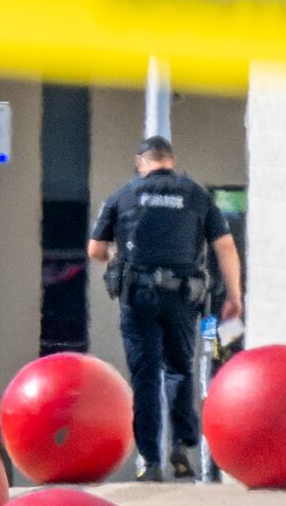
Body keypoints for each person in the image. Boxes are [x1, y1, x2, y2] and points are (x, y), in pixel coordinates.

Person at [84, 137, 239, 480]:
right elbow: (225, 246)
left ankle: (150, 460)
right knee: (180, 369)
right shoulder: (196, 195)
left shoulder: (123, 195)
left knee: (145, 377)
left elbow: (95, 249)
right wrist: (235, 296)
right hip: (185, 297)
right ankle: (182, 445)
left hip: (138, 295)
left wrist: (117, 260)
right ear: (171, 160)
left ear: (140, 162)